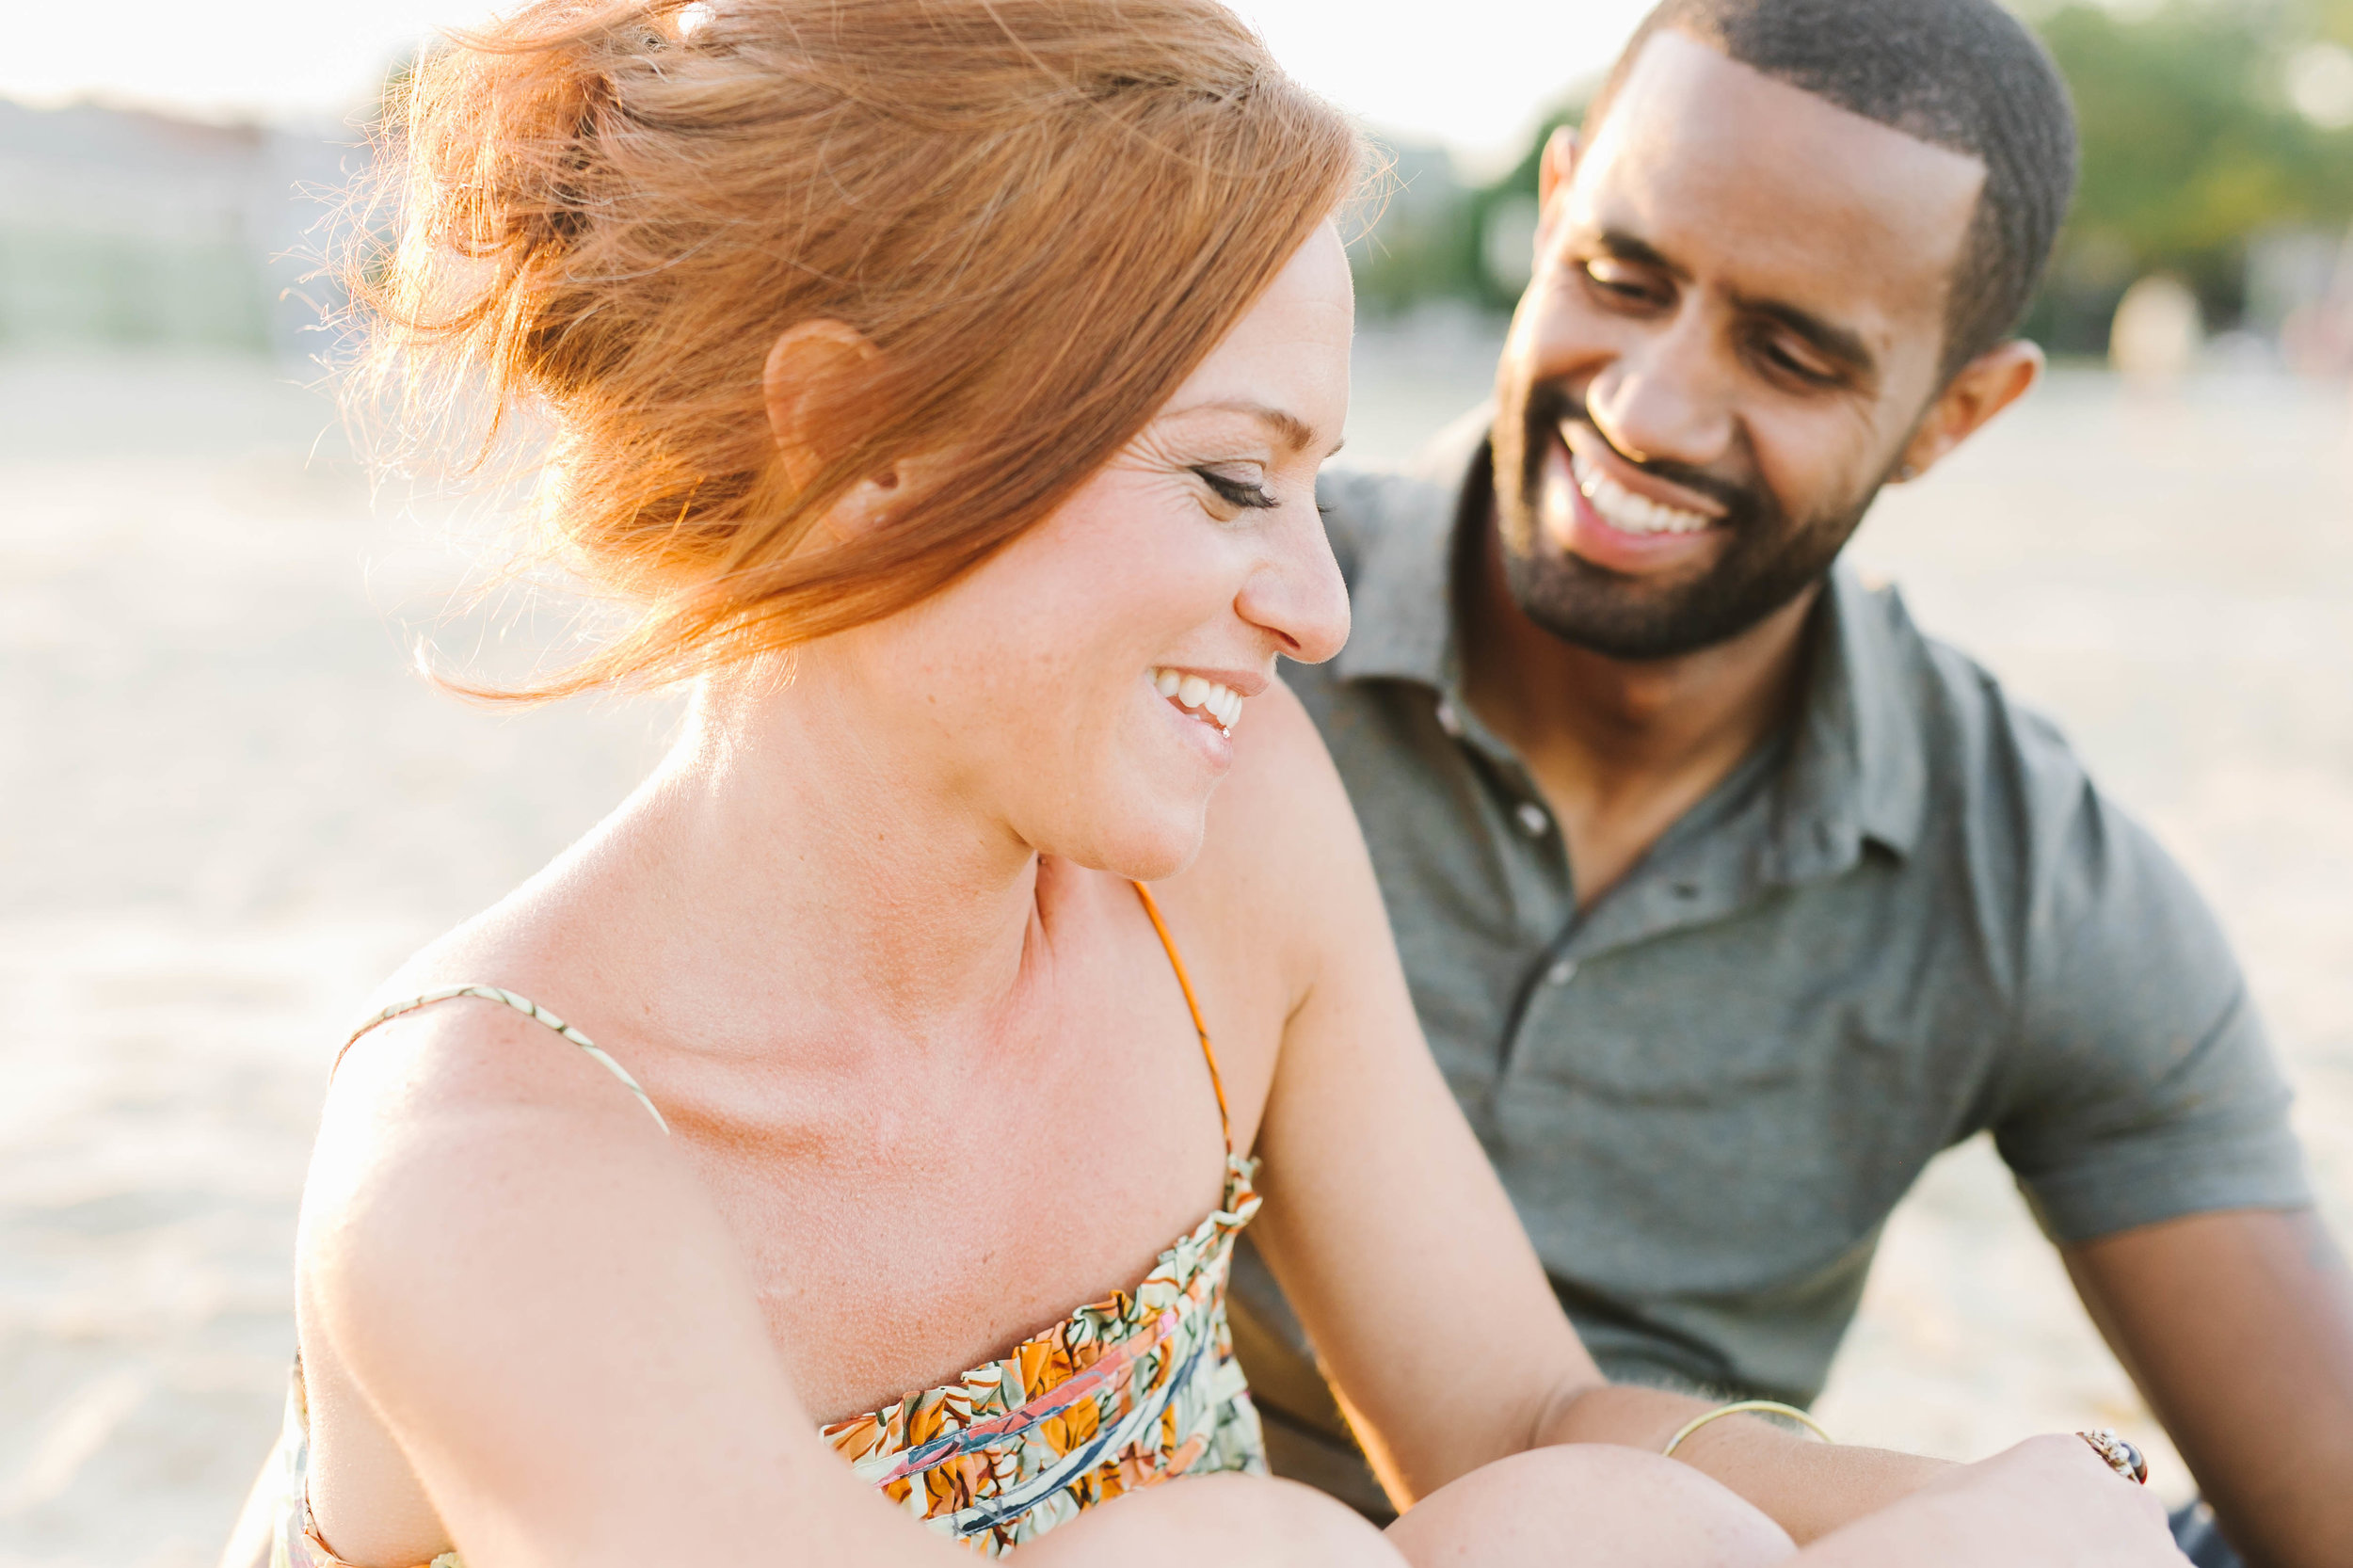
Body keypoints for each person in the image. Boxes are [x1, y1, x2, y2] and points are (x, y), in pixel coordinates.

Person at [205, 1, 2193, 1565]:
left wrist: (1995, 1500)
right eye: (1235, 479)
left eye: (1322, 486)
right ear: (855, 437)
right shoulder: (492, 1161)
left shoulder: (1214, 852)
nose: (1322, 607)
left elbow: (1507, 1414)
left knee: (1598, 1516)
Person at [1230, 3, 2353, 1567]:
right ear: (1552, 209)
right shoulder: (1232, 634)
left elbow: (2322, 1484)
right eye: (1622, 278)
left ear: (1956, 414)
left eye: (1793, 353)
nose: (1650, 407)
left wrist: (2024, 1506)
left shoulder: (2024, 868)